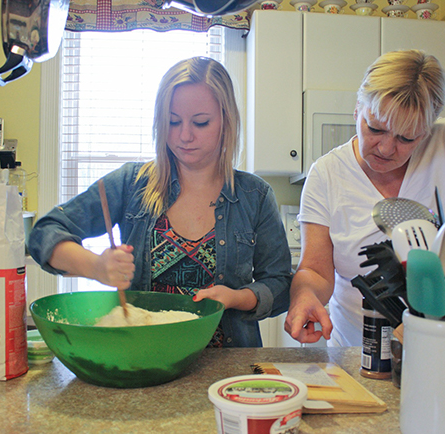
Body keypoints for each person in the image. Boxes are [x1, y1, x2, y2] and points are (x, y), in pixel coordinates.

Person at [29, 56, 292, 347]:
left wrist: (238, 297)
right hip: (142, 360)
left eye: (201, 122)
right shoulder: (131, 183)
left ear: (226, 120)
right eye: (172, 121)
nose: (185, 135)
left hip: (226, 372)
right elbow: (43, 234)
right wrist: (96, 267)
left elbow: (281, 286)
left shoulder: (255, 196)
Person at [284, 49, 445, 347]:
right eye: (375, 128)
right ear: (357, 109)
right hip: (356, 355)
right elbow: (315, 269)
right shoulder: (326, 174)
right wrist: (304, 296)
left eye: (407, 138)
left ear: (428, 129)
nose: (387, 149)